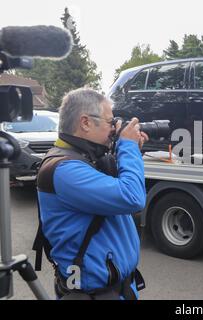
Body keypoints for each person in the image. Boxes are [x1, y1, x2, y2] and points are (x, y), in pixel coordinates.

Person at [33, 88, 148, 300]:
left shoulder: (84, 160)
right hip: (95, 295)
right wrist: (128, 146)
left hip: (118, 289)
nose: (114, 129)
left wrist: (131, 150)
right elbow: (132, 196)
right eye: (110, 122)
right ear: (85, 123)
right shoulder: (64, 170)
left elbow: (119, 184)